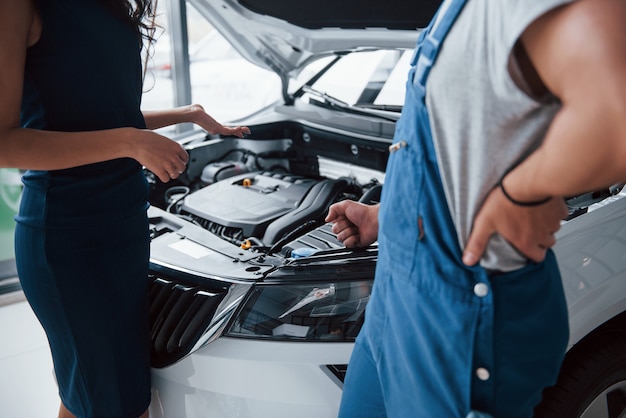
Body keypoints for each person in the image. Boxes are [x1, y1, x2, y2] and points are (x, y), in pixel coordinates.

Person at [325, 0, 626, 417]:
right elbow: (465, 135)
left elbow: (615, 121)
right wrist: (390, 214)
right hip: (395, 308)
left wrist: (525, 192)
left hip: (463, 319)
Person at [0, 0, 250, 417]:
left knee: (89, 396)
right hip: (70, 238)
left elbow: (99, 114)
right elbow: (5, 142)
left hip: (124, 227)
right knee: (118, 402)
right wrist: (130, 142)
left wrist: (187, 114)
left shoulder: (109, 4)